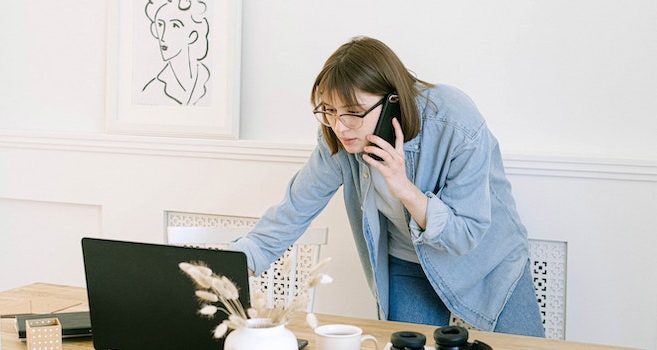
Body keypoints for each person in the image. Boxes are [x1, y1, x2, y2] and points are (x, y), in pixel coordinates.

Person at [230, 36, 545, 337]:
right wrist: (230, 265)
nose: (340, 126)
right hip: (408, 263)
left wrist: (404, 188)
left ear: (392, 100)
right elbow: (294, 210)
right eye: (329, 110)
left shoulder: (455, 120)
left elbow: (466, 234)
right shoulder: (339, 137)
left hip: (488, 261)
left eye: (353, 112)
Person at [140, 0, 210, 106]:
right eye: (160, 25)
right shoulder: (153, 90)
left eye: (174, 26)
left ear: (192, 36)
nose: (163, 36)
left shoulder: (210, 81)